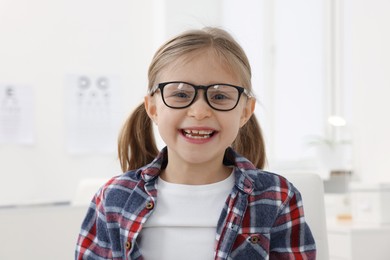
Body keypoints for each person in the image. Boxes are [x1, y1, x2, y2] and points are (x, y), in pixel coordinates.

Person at [75, 27, 316, 260]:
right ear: (152, 108)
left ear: (245, 112)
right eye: (180, 94)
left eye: (220, 96)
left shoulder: (278, 198)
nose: (200, 111)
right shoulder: (112, 199)